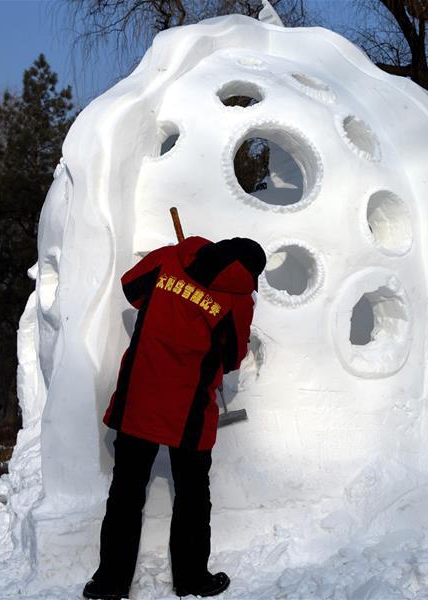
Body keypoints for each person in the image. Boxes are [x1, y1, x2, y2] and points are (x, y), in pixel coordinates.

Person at [83, 235, 266, 599]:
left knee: (126, 492)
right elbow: (232, 356)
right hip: (189, 409)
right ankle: (192, 579)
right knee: (193, 496)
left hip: (140, 395)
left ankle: (109, 584)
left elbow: (131, 288)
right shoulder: (238, 300)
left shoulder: (170, 259)